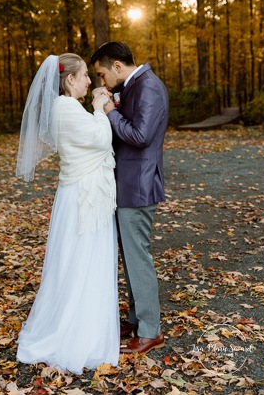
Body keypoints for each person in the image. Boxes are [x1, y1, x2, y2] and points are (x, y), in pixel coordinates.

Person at [15, 53, 118, 374]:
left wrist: (95, 110)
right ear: (69, 79)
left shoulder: (69, 108)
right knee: (80, 263)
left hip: (85, 195)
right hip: (82, 200)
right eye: (85, 75)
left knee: (83, 262)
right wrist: (101, 109)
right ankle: (75, 333)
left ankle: (85, 322)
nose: (90, 80)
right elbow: (101, 139)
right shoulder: (65, 109)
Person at [90, 41, 169, 354]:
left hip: (138, 186)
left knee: (139, 259)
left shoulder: (148, 86)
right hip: (126, 185)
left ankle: (151, 330)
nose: (101, 82)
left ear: (117, 67)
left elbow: (140, 136)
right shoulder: (133, 85)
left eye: (101, 74)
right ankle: (138, 319)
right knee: (131, 259)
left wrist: (110, 111)